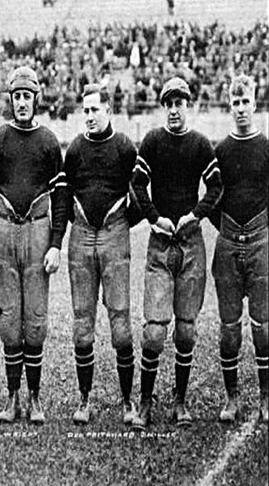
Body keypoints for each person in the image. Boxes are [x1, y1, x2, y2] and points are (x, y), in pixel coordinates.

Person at [131, 77, 222, 430]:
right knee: (154, 331)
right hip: (160, 242)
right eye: (168, 103)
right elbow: (137, 183)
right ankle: (144, 402)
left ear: (189, 106)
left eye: (179, 103)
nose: (173, 109)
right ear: (162, 107)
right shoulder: (153, 141)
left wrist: (195, 214)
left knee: (186, 330)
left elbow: (216, 185)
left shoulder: (200, 144)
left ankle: (180, 402)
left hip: (190, 242)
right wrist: (153, 219)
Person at [0, 66, 66, 425]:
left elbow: (61, 197)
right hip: (4, 232)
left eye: (28, 96)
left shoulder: (48, 141)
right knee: (9, 320)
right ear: (11, 100)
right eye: (17, 97)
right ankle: (12, 398)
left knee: (36, 320)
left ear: (36, 99)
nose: (22, 103)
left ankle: (35, 397)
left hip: (37, 232)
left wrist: (56, 243)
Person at [63, 84, 139, 425]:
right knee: (82, 322)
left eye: (95, 110)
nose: (90, 116)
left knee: (120, 321)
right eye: (86, 110)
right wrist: (78, 224)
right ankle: (84, 400)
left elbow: (139, 194)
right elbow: (64, 197)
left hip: (114, 236)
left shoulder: (124, 147)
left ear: (108, 110)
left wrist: (119, 223)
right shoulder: (76, 148)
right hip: (80, 237)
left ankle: (128, 402)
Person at [210, 75, 268, 423]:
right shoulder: (221, 150)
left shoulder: (266, 147)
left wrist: (259, 230)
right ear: (229, 106)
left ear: (255, 102)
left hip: (261, 242)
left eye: (246, 101)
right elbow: (213, 199)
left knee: (263, 325)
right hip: (228, 243)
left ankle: (265, 396)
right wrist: (231, 231)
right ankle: (231, 398)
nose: (241, 108)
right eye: (236, 103)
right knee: (229, 326)